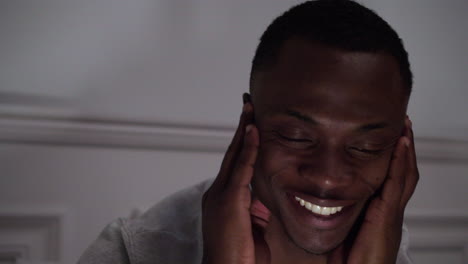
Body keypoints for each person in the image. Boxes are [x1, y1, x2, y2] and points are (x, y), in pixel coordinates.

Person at [78, 1, 419, 263]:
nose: (328, 178)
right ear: (249, 123)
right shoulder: (132, 252)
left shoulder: (390, 248)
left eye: (366, 146)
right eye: (296, 137)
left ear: (401, 146)